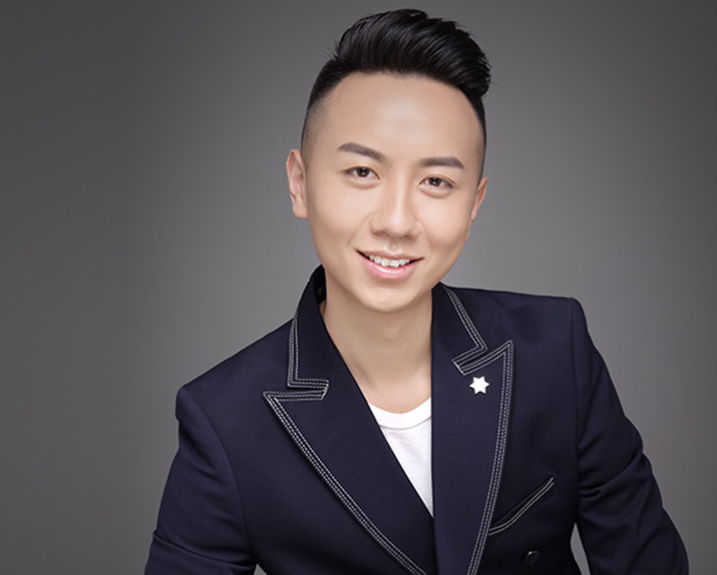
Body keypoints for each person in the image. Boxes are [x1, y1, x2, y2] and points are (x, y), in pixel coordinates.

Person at [145, 9, 688, 575]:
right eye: (362, 172)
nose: (397, 222)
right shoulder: (225, 421)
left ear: (473, 204)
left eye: (436, 181)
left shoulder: (554, 353)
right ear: (300, 183)